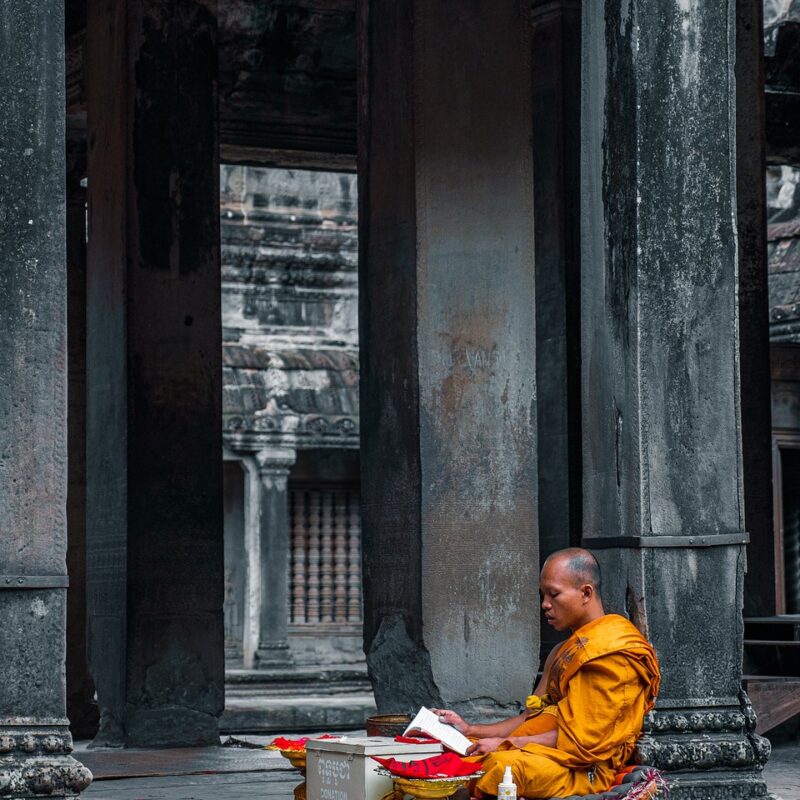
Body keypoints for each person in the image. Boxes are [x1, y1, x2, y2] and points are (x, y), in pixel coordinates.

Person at [432, 548, 660, 798]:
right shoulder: (564, 651)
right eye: (543, 595)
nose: (545, 605)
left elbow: (583, 742)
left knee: (501, 769)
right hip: (543, 754)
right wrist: (470, 729)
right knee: (455, 760)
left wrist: (505, 745)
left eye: (554, 594)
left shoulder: (611, 653)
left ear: (585, 593)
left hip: (582, 769)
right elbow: (529, 718)